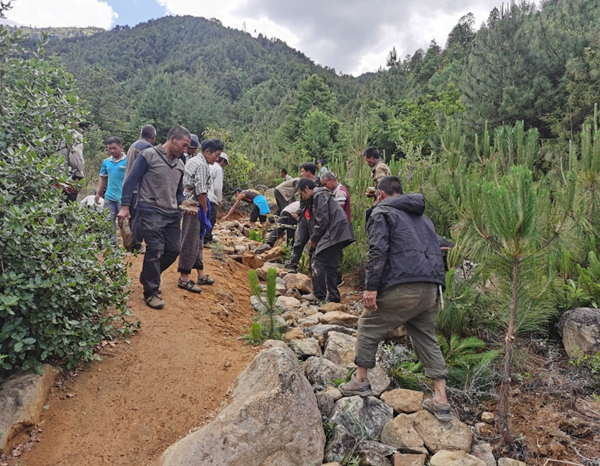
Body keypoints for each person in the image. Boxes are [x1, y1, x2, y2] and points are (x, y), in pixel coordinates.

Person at [338, 176, 450, 423]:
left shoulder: (382, 212)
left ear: (380, 194)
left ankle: (360, 381)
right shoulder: (424, 219)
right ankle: (441, 399)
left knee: (368, 325)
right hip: (431, 287)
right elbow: (443, 248)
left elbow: (378, 250)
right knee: (426, 337)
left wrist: (371, 288)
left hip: (404, 284)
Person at [118, 126, 191, 310]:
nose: (185, 150)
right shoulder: (148, 155)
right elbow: (130, 181)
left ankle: (148, 276)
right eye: (183, 145)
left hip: (172, 213)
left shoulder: (180, 163)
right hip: (149, 209)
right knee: (156, 248)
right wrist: (125, 207)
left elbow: (178, 192)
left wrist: (184, 203)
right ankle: (150, 292)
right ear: (172, 139)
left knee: (173, 250)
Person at [296, 178, 355, 303]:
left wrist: (314, 238)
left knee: (317, 260)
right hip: (340, 232)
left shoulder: (319, 195)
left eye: (302, 194)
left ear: (306, 188)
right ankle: (333, 296)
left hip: (335, 232)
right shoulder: (320, 195)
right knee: (330, 265)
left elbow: (322, 219)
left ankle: (319, 294)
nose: (303, 198)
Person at [177, 138, 224, 293]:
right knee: (190, 240)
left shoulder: (194, 160)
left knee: (198, 238)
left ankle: (201, 273)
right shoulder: (202, 165)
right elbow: (201, 191)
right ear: (207, 152)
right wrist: (205, 210)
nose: (217, 159)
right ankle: (184, 277)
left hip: (189, 203)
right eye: (216, 155)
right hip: (193, 206)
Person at [125, 124, 157, 253]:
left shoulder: (133, 145)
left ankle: (130, 243)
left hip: (129, 188)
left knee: (133, 218)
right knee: (138, 218)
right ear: (153, 137)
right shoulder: (147, 148)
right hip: (139, 188)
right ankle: (136, 245)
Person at [288, 162, 322, 273]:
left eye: (302, 171)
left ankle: (313, 270)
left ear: (308, 172)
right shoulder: (302, 183)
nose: (301, 174)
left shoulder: (320, 184)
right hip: (305, 218)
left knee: (313, 244)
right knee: (299, 241)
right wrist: (298, 212)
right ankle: (293, 265)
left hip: (315, 219)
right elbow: (302, 203)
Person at [95, 136, 127, 244]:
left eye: (114, 148)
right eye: (109, 149)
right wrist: (98, 193)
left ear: (121, 147)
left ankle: (129, 244)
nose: (112, 151)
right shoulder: (106, 162)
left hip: (123, 198)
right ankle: (112, 245)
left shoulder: (128, 161)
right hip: (109, 197)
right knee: (108, 221)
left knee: (124, 223)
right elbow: (103, 179)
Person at [205, 152, 229, 244]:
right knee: (211, 219)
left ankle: (201, 238)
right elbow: (218, 187)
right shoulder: (218, 168)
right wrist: (219, 200)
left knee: (203, 218)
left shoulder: (207, 165)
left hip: (202, 195)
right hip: (211, 198)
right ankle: (206, 239)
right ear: (223, 161)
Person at [56, 128, 85, 202]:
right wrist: (78, 174)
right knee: (67, 204)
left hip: (52, 177)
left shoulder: (55, 132)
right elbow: (75, 157)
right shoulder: (75, 136)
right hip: (67, 178)